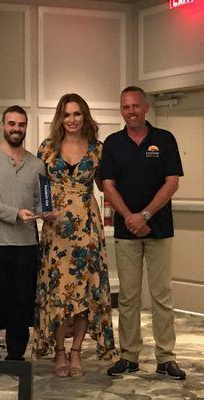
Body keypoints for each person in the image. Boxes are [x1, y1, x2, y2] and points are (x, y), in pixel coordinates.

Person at [101, 86, 186, 379]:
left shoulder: (164, 139)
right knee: (128, 297)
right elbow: (107, 186)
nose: (131, 111)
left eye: (136, 106)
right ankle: (129, 356)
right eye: (126, 107)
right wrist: (129, 217)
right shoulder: (112, 143)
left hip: (159, 229)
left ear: (146, 107)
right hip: (126, 232)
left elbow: (172, 182)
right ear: (121, 110)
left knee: (162, 295)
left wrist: (146, 215)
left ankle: (166, 358)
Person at [33, 93, 118, 377]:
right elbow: (41, 187)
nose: (72, 120)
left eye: (77, 114)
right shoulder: (46, 148)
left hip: (86, 228)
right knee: (58, 291)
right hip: (56, 231)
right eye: (67, 114)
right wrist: (45, 212)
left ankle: (76, 352)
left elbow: (107, 186)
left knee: (84, 290)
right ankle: (58, 352)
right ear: (60, 117)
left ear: (84, 117)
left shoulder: (97, 149)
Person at [0, 105, 45, 382]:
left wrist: (47, 213)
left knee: (21, 303)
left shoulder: (37, 164)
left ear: (26, 127)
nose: (16, 129)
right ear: (3, 125)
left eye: (21, 124)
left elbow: (41, 201)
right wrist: (14, 214)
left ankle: (16, 358)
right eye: (12, 124)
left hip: (26, 246)